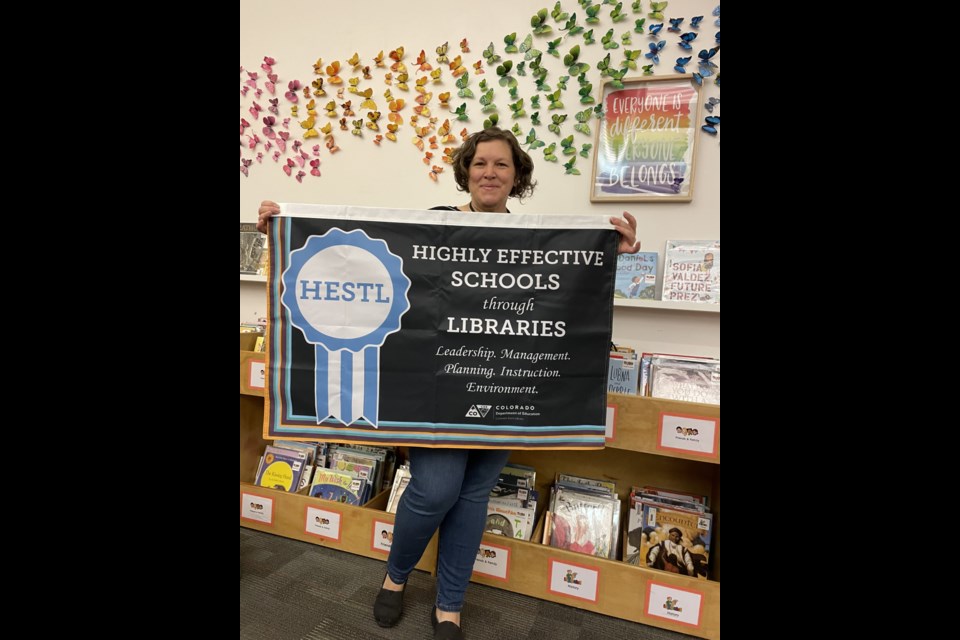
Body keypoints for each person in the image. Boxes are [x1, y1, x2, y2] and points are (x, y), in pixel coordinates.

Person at [256, 127, 640, 640]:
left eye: (501, 165)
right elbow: (370, 270)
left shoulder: (541, 238)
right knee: (436, 490)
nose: (489, 173)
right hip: (437, 392)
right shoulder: (431, 226)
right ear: (466, 171)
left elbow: (575, 292)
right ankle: (396, 577)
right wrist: (285, 228)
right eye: (480, 163)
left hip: (504, 391)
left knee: (474, 494)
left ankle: (450, 604)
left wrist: (618, 252)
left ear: (517, 175)